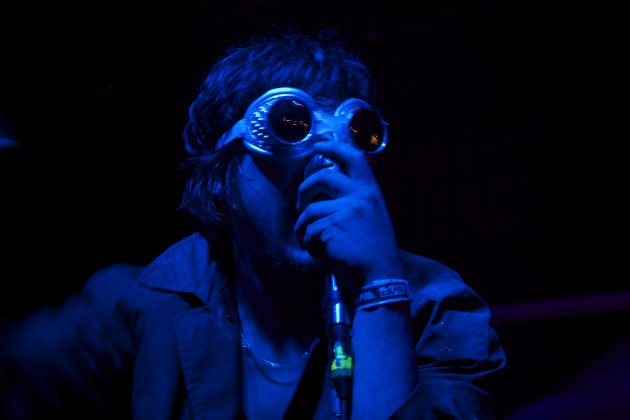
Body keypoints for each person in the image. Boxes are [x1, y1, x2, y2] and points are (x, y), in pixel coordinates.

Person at [1, 28, 506, 419]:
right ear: (221, 174)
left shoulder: (438, 308)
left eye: (354, 135)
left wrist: (380, 288)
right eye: (291, 126)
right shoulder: (134, 309)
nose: (324, 163)